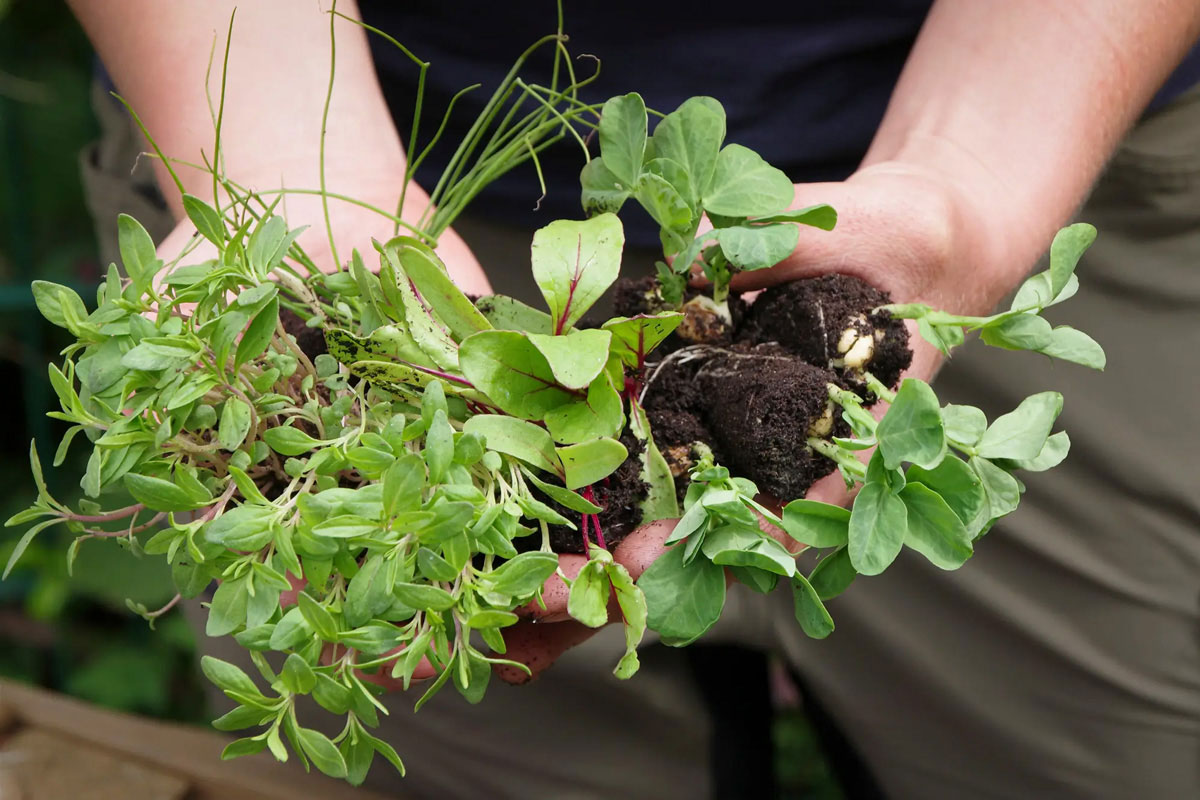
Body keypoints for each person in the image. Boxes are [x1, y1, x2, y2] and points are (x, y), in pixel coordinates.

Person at [69, 1, 1200, 797]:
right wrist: (270, 168)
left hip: (1057, 129)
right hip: (324, 164)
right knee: (463, 706)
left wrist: (975, 188)